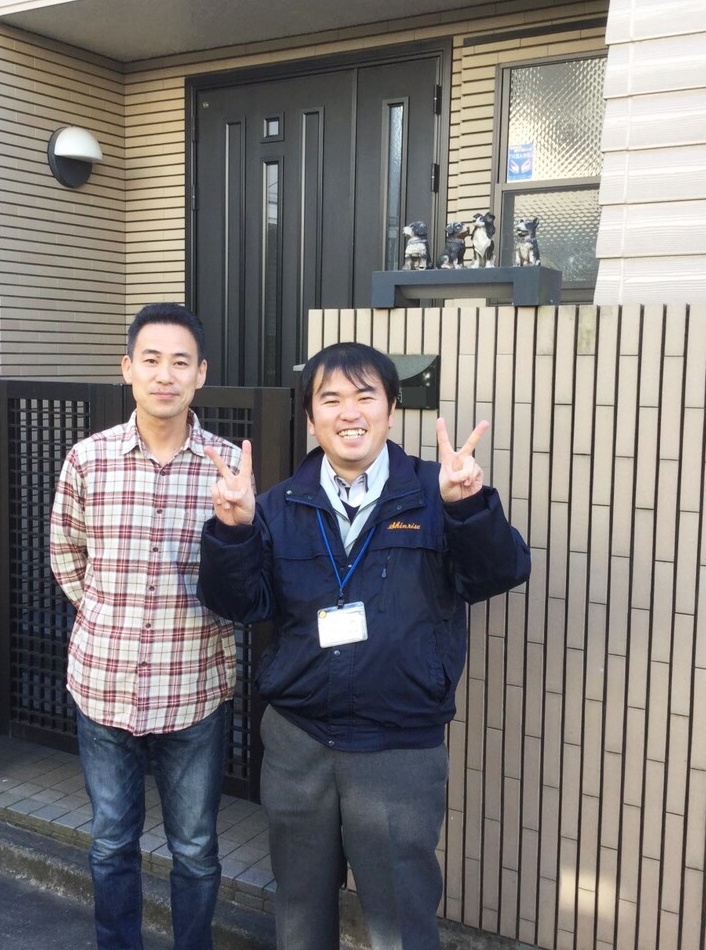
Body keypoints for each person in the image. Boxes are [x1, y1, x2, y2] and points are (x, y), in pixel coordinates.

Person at [198, 342, 531, 950]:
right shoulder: (277, 504)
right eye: (330, 399)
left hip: (399, 746)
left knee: (400, 920)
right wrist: (233, 531)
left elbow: (497, 574)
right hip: (298, 741)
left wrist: (469, 510)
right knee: (300, 910)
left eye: (364, 396)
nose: (349, 412)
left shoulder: (437, 492)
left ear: (392, 409)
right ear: (311, 418)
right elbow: (239, 604)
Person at [50, 303, 242, 950]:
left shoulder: (225, 466)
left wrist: (241, 525)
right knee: (110, 843)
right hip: (103, 686)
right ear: (127, 368)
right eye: (151, 360)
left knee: (196, 848)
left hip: (193, 689)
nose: (166, 375)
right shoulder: (88, 459)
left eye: (180, 362)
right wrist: (108, 616)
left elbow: (245, 575)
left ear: (201, 374)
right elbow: (65, 553)